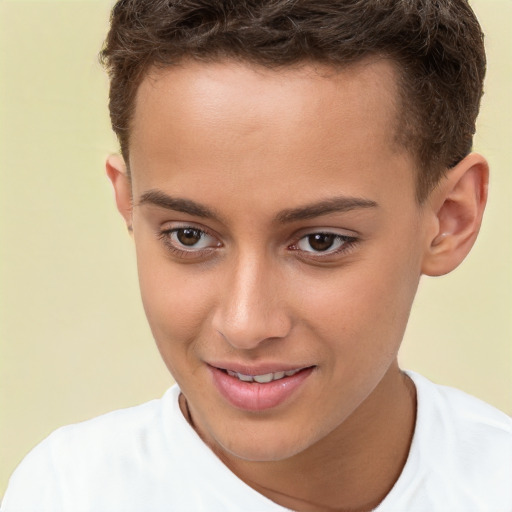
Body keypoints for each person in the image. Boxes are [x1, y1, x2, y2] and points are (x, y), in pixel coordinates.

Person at [1, 0, 511, 510]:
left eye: (320, 242)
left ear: (450, 218)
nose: (245, 325)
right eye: (189, 236)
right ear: (128, 204)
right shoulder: (67, 493)